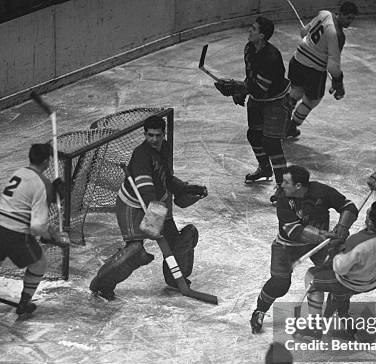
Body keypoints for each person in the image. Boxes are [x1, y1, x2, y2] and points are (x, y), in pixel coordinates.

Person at [89, 115, 208, 300]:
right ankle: (101, 284)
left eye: (158, 135)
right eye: (150, 135)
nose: (154, 139)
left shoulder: (165, 148)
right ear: (145, 134)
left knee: (178, 242)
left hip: (157, 203)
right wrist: (154, 224)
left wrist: (184, 188)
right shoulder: (141, 155)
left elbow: (166, 178)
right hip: (133, 205)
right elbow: (146, 192)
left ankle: (176, 279)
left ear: (163, 135)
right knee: (134, 251)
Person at [0, 143, 68, 316]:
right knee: (39, 263)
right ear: (47, 161)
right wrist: (49, 233)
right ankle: (24, 303)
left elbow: (22, 198)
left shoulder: (19, 172)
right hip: (14, 233)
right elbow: (37, 226)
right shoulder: (42, 183)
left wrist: (51, 193)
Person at [250, 165, 358, 334]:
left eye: (286, 182)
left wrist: (342, 227)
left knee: (337, 277)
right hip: (288, 246)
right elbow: (293, 231)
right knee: (280, 284)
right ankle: (259, 310)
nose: (281, 185)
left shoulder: (322, 191)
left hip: (318, 246)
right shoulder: (283, 198)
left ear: (298, 186)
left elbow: (349, 206)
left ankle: (343, 312)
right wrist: (324, 235)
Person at [304, 171, 376, 324]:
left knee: (312, 277)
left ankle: (314, 324)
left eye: (368, 214)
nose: (366, 213)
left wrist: (337, 251)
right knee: (341, 283)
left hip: (354, 283)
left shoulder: (357, 244)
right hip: (375, 278)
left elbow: (339, 268)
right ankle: (342, 311)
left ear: (370, 223)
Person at [214, 16, 291, 188]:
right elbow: (251, 78)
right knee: (254, 135)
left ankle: (284, 188)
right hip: (257, 98)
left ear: (262, 35)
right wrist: (240, 90)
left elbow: (259, 88)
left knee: (271, 144)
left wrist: (237, 88)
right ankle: (265, 169)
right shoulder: (249, 48)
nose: (250, 31)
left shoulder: (271, 58)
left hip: (275, 101)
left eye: (254, 29)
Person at [285, 1, 358, 139]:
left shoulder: (324, 14)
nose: (349, 22)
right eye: (348, 17)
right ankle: (291, 127)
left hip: (297, 60)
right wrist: (338, 83)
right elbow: (333, 66)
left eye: (352, 19)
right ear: (340, 13)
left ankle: (279, 121)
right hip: (314, 70)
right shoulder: (338, 35)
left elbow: (303, 33)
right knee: (311, 100)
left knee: (295, 92)